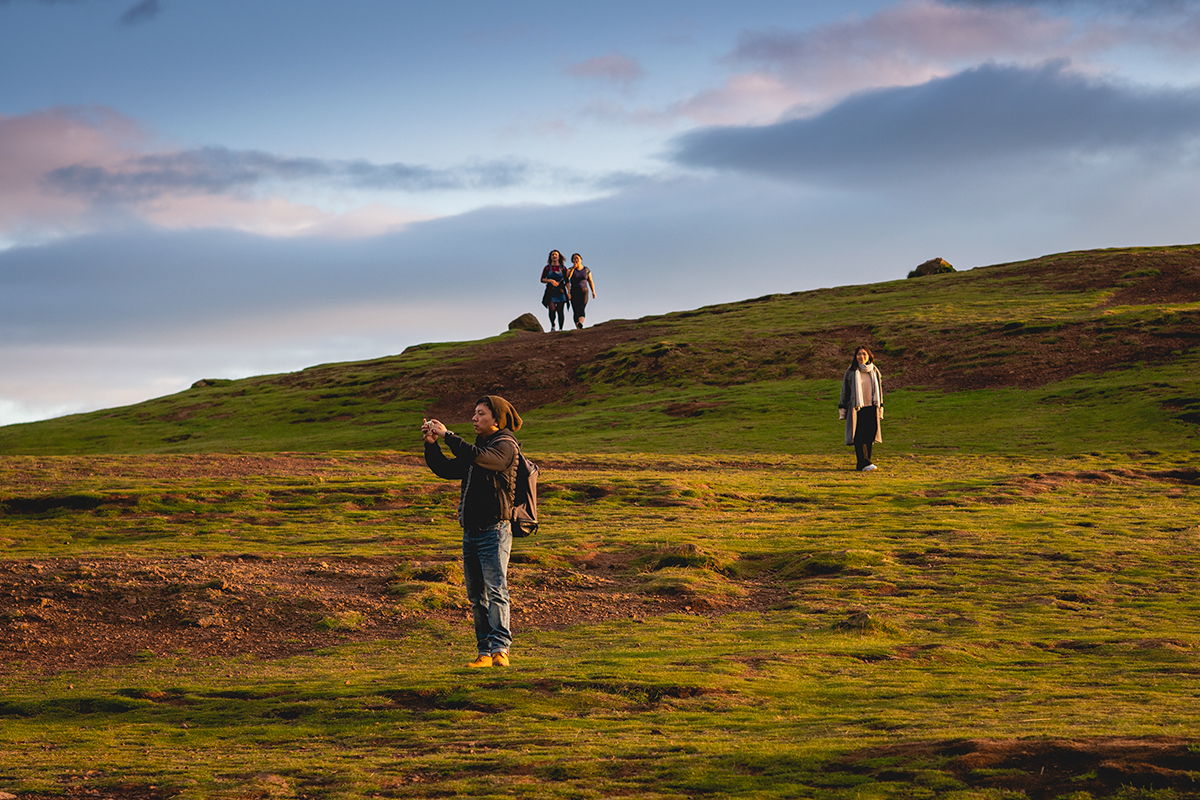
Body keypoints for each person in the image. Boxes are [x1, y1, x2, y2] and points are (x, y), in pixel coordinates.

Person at [422, 396, 523, 668]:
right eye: (474, 413)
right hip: (471, 533)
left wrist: (448, 436)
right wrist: (432, 445)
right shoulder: (477, 449)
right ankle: (484, 653)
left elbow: (482, 459)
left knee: (496, 590)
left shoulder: (505, 446)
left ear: (497, 419)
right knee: (477, 596)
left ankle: (501, 649)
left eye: (480, 414)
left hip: (494, 530)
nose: (474, 418)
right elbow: (446, 469)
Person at [838, 346, 884, 471]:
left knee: (869, 435)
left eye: (864, 354)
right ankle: (864, 462)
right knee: (858, 436)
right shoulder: (851, 371)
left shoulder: (874, 371)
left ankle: (865, 463)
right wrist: (842, 408)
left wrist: (880, 408)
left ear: (869, 356)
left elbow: (879, 391)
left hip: (871, 407)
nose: (861, 357)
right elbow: (845, 391)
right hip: (857, 408)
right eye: (859, 354)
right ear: (855, 356)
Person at [565, 253, 596, 329]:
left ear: (581, 259)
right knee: (575, 309)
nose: (576, 260)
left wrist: (593, 291)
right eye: (574, 259)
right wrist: (573, 268)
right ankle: (578, 327)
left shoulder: (586, 270)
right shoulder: (570, 269)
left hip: (584, 290)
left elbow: (590, 281)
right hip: (574, 291)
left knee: (582, 307)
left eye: (577, 258)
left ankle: (580, 323)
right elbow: (568, 277)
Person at [540, 250, 569, 332]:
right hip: (551, 292)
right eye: (552, 255)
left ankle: (561, 328)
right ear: (550, 257)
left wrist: (569, 292)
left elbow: (567, 281)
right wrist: (550, 281)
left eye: (556, 254)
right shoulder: (547, 268)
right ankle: (553, 325)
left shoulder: (563, 268)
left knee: (560, 310)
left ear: (559, 256)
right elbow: (542, 279)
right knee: (552, 309)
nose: (554, 256)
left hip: (561, 291)